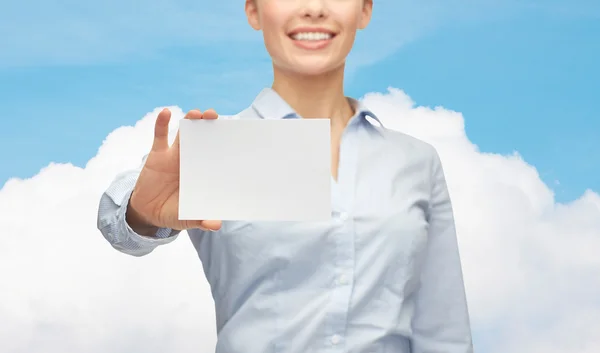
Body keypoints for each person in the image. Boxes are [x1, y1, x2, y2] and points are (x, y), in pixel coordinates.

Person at [97, 0, 474, 352]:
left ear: (364, 10)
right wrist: (140, 215)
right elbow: (123, 227)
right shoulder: (217, 148)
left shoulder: (415, 161)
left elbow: (444, 330)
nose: (313, 9)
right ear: (253, 11)